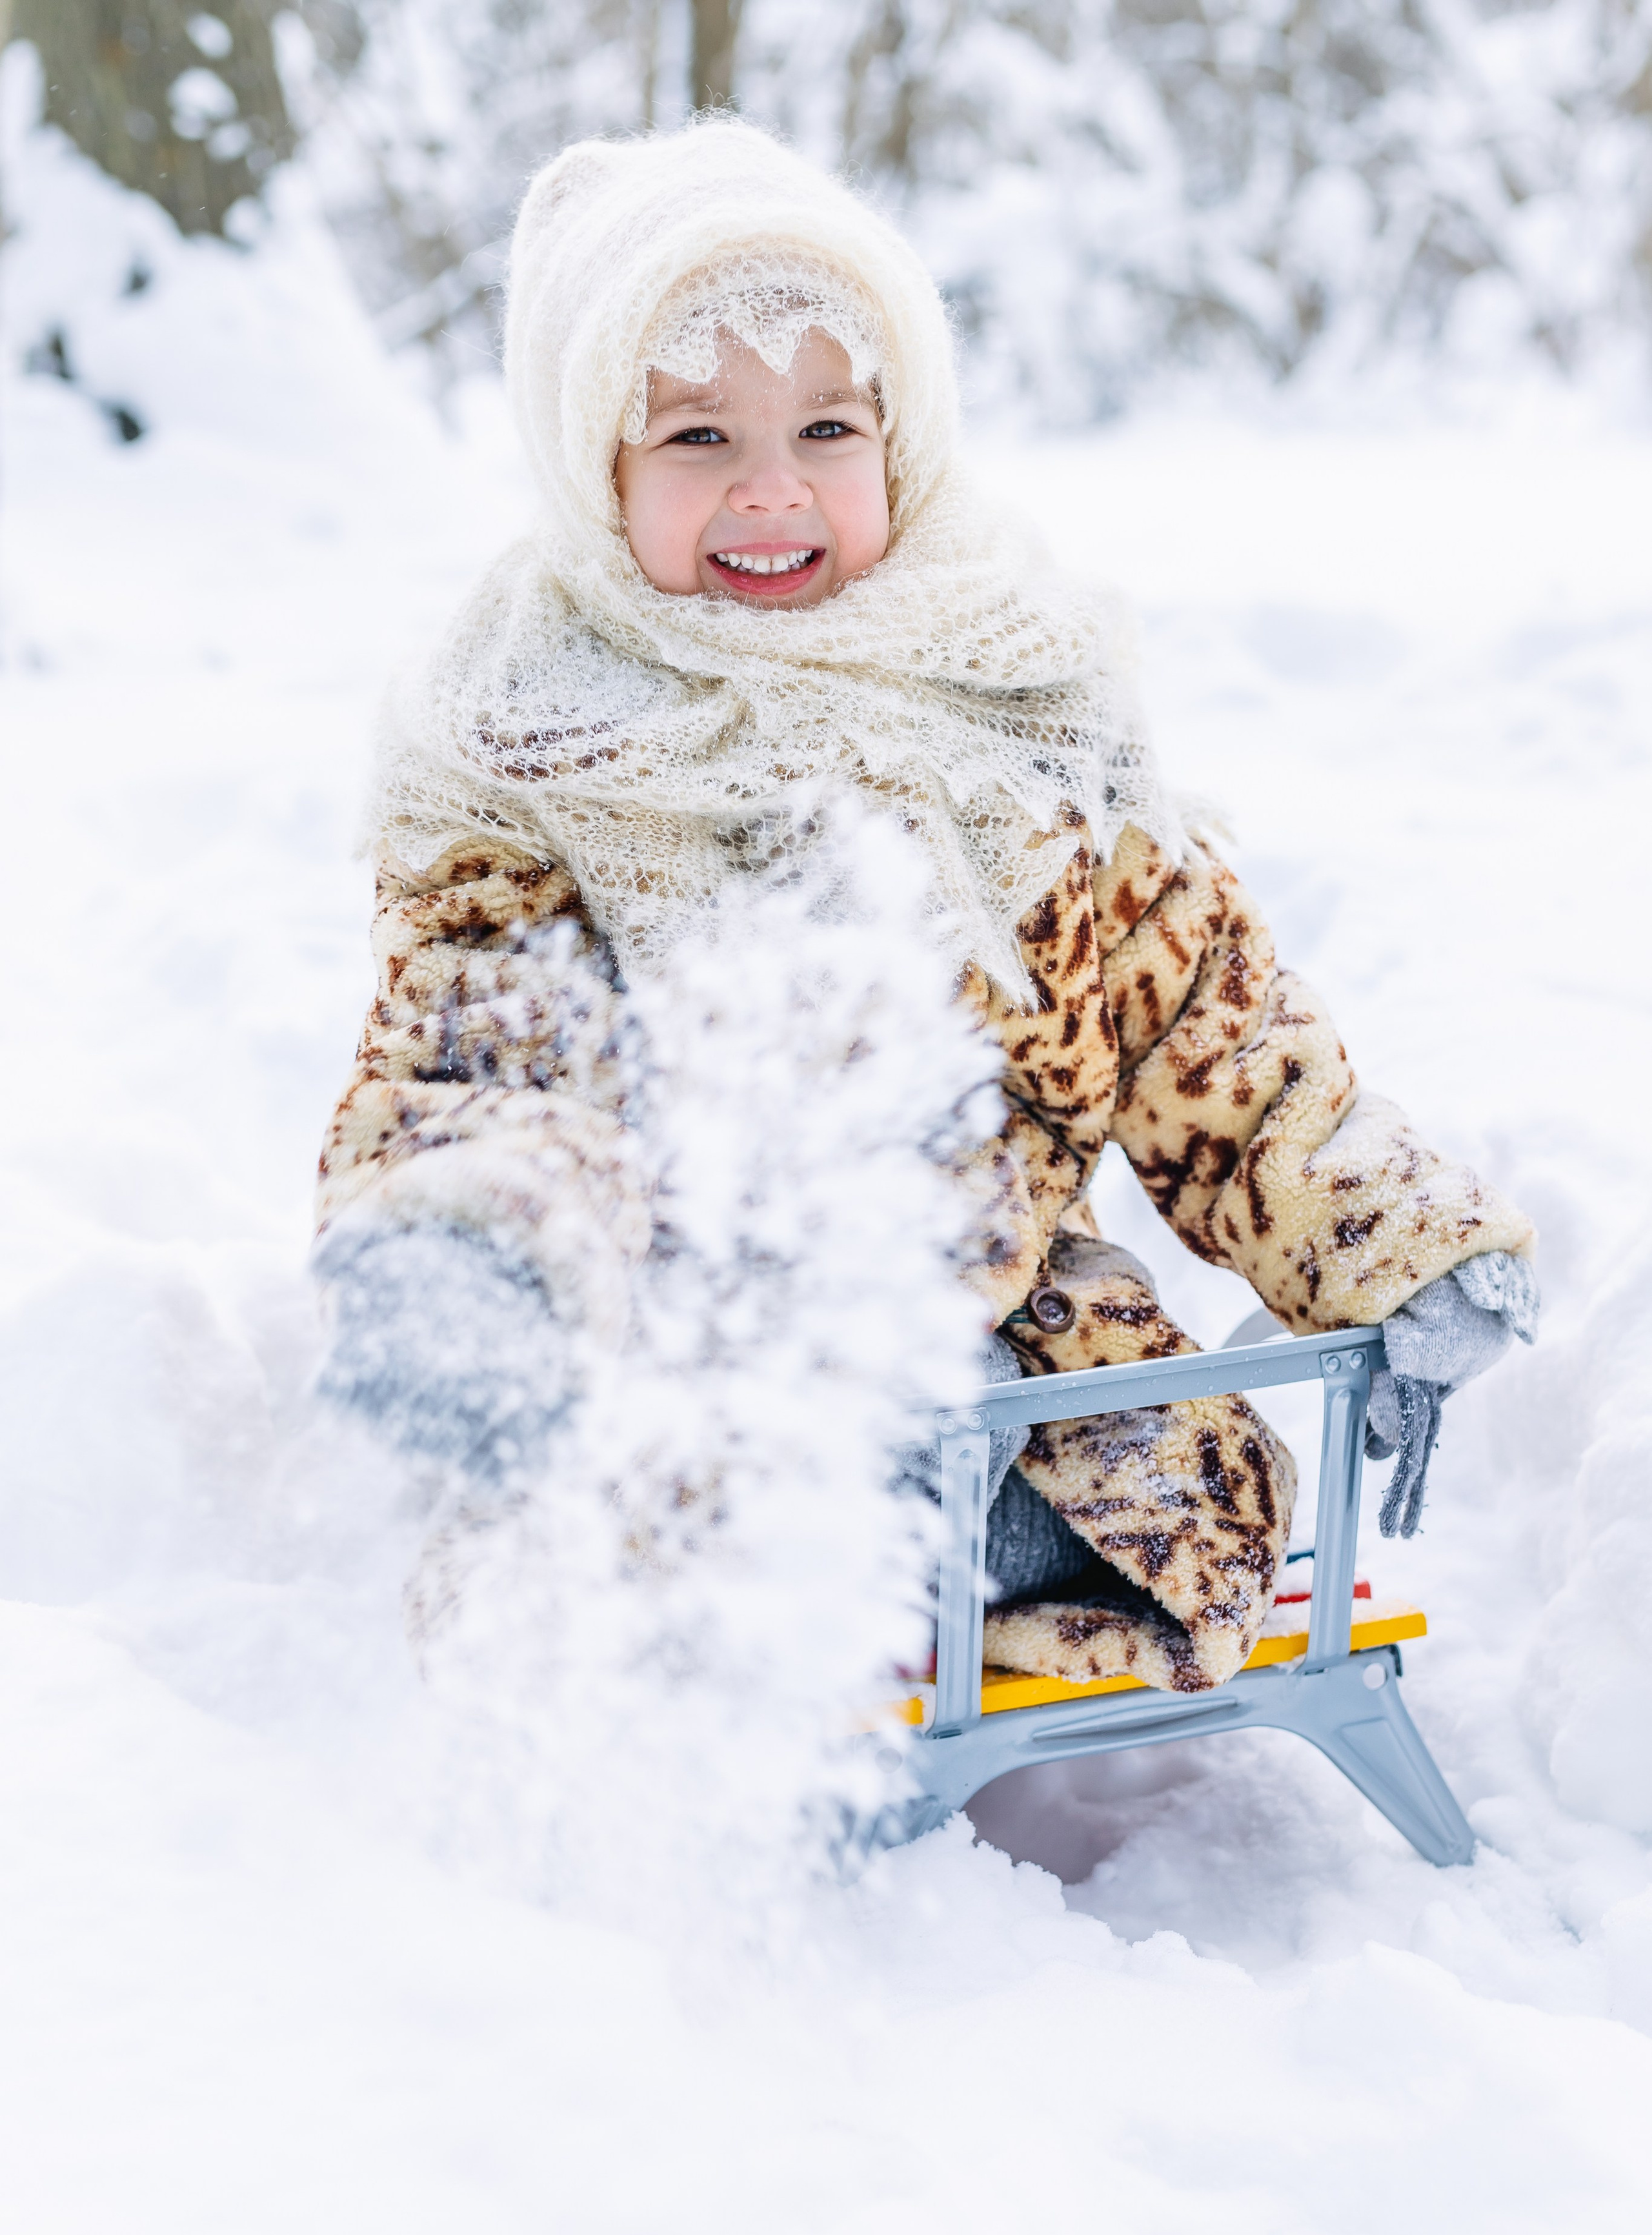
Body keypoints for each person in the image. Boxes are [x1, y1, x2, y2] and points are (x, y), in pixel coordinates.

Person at [314, 120, 1536, 1697]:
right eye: (695, 436)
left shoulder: (1018, 702)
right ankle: (763, 1597)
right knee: (674, 1512)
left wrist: (1399, 1242)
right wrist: (471, 1257)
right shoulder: (530, 751)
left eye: (825, 426)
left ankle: (906, 1547)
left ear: (902, 433)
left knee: (1112, 1486)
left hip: (1006, 1376)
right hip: (684, 1361)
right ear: (589, 463)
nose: (770, 488)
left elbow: (1215, 1044)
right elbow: (489, 1061)